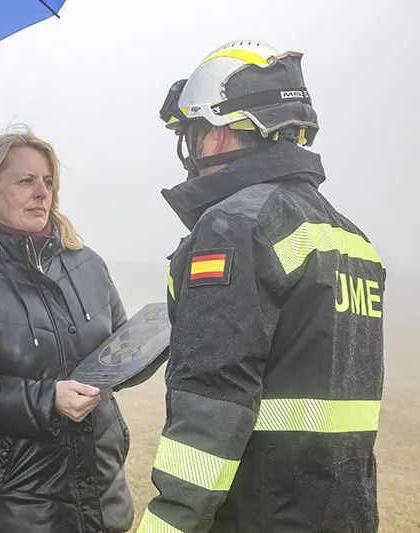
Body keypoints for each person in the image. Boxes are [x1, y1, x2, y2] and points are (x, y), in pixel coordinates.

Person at [136, 40, 386, 533]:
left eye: (194, 131)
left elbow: (213, 399)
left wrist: (168, 524)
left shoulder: (235, 227)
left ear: (218, 134)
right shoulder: (352, 240)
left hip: (258, 515)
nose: (193, 148)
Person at [0, 128, 135, 533]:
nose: (42, 193)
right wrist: (46, 399)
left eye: (48, 182)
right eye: (26, 181)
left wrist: (149, 344)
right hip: (14, 505)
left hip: (101, 492)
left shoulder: (86, 263)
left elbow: (118, 349)